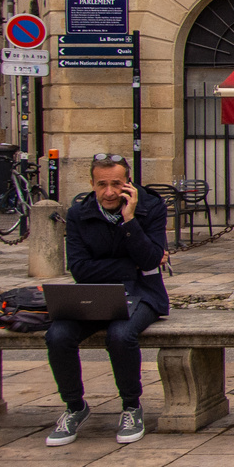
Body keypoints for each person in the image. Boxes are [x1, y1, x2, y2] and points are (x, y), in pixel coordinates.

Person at [45, 152, 170, 446]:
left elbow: (151, 257)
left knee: (120, 334)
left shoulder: (150, 207)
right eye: (102, 185)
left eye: (116, 184)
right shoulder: (79, 213)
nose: (109, 192)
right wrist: (132, 266)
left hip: (143, 293)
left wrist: (129, 221)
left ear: (128, 183)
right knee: (58, 335)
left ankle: (131, 406)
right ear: (92, 183)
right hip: (94, 292)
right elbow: (79, 268)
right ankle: (75, 406)